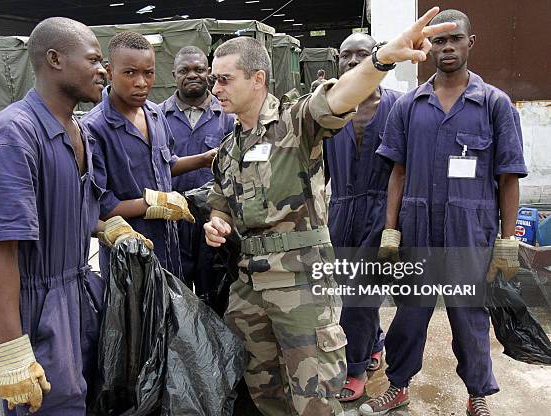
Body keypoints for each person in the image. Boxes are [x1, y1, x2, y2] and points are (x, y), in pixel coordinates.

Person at [203, 8, 457, 416]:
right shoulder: (231, 146)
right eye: (215, 78)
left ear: (257, 79)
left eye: (224, 78)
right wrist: (218, 221)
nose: (215, 87)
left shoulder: (294, 121)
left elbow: (340, 96)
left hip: (299, 284)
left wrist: (381, 60)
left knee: (315, 396)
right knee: (262, 387)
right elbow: (221, 198)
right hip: (249, 286)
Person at [359, 10, 527, 416]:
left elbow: (508, 178)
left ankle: (477, 395)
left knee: (469, 317)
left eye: (455, 40)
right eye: (438, 41)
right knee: (410, 316)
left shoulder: (493, 104)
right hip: (417, 228)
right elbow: (397, 172)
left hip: (470, 231)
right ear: (426, 46)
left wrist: (507, 240)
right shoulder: (410, 106)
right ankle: (398, 386)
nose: (446, 48)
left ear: (471, 43)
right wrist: (390, 231)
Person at [0, 17, 108, 415]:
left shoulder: (78, 131)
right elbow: (0, 249)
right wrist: (13, 353)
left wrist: (105, 225)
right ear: (55, 59)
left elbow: (72, 212)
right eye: (94, 59)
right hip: (36, 308)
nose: (103, 71)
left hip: (78, 295)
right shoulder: (13, 135)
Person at [83, 32, 212, 281]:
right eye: (130, 73)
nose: (141, 82)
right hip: (130, 259)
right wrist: (155, 204)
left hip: (170, 252)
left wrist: (204, 159)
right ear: (109, 72)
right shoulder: (94, 128)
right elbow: (98, 206)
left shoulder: (154, 114)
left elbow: (166, 164)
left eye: (149, 73)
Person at [323, 33, 403, 402]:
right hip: (341, 210)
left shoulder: (400, 107)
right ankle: (373, 343)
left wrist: (396, 225)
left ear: (378, 58)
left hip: (382, 210)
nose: (353, 62)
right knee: (355, 290)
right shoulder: (327, 113)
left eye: (362, 54)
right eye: (346, 55)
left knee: (359, 293)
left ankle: (353, 367)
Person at [160, 46, 234, 303]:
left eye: (199, 69)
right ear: (173, 75)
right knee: (174, 298)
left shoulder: (227, 116)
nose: (192, 75)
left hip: (212, 223)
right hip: (170, 221)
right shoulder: (156, 117)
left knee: (214, 295)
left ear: (209, 73)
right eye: (184, 70)